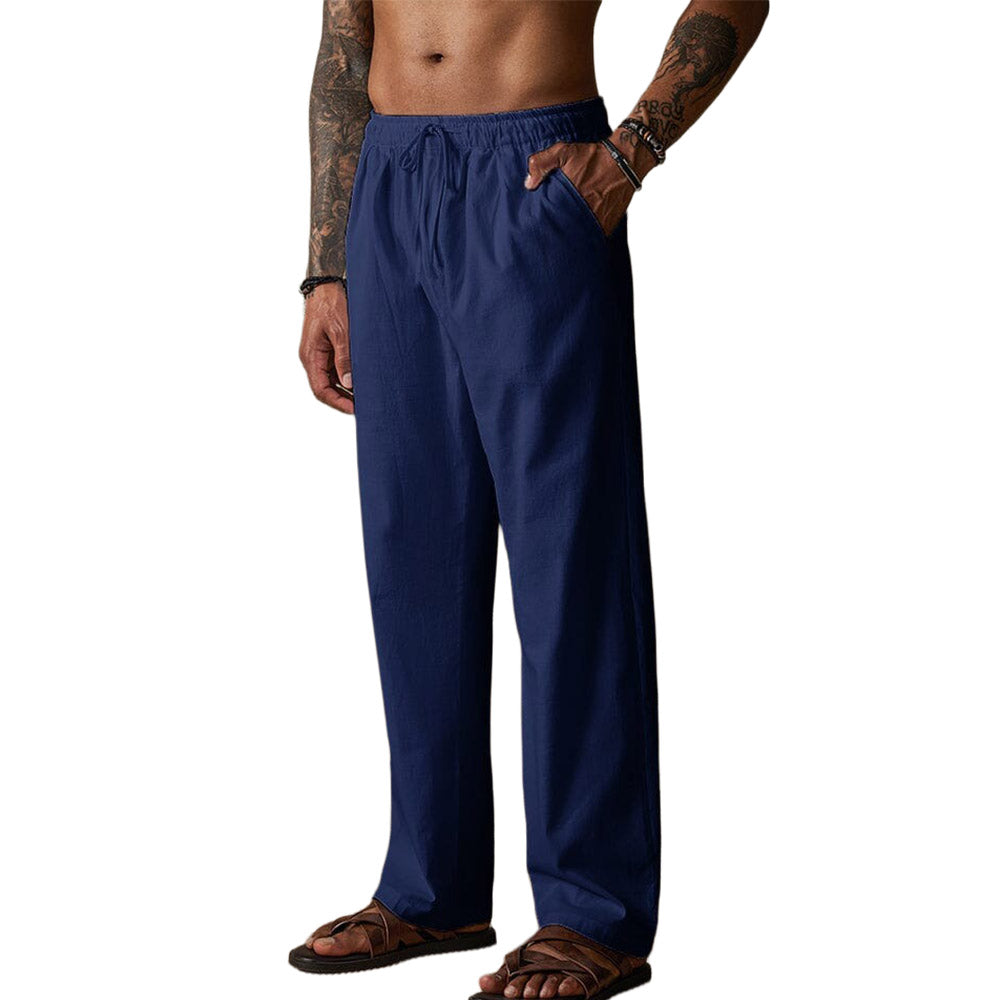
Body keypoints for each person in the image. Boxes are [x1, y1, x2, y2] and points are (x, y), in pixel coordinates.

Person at [289, 3, 769, 998]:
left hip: (533, 173)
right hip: (390, 182)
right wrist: (327, 266)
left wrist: (632, 151)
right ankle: (432, 890)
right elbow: (344, 44)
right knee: (413, 556)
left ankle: (592, 915)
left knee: (568, 556)